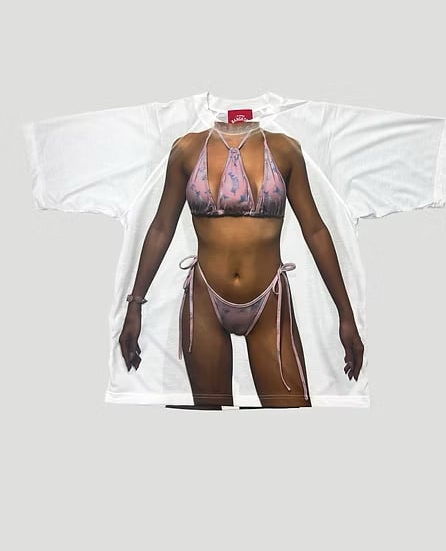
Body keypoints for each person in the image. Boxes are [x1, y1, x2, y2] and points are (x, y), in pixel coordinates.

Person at [118, 120, 364, 409]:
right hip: (204, 302)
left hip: (269, 303)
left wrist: (346, 315)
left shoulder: (285, 149)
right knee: (210, 422)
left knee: (292, 411)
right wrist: (134, 305)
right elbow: (161, 227)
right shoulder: (186, 148)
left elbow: (315, 230)